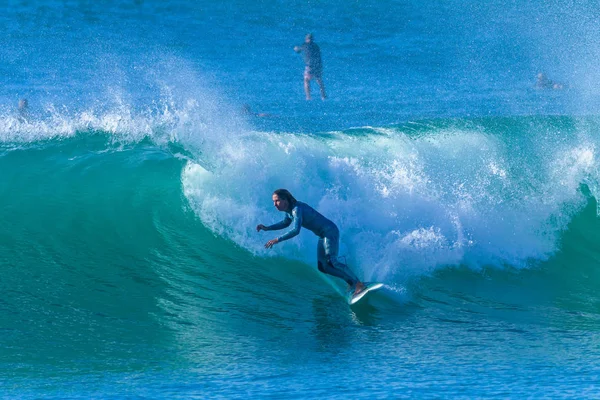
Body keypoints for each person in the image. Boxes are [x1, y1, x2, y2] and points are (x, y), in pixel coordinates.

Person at [256, 189, 366, 296]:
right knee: (323, 267)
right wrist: (267, 228)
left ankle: (358, 284)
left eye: (277, 201)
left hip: (329, 231)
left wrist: (277, 239)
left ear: (285, 200)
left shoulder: (297, 209)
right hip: (322, 235)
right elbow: (285, 223)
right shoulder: (289, 210)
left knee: (332, 261)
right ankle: (350, 282)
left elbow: (296, 230)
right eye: (273, 201)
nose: (275, 204)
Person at [294, 33, 327, 101]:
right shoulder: (316, 46)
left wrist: (296, 48)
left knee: (306, 80)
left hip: (310, 65)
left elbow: (298, 50)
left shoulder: (305, 45)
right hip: (318, 65)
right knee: (319, 80)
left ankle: (308, 97)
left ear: (306, 39)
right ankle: (323, 96)